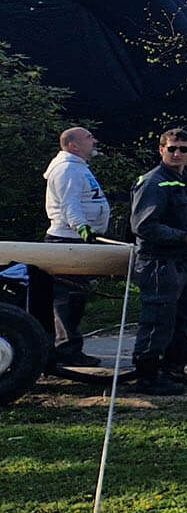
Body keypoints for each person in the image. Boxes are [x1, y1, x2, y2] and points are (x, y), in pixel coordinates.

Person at [127, 128, 187, 395]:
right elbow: (144, 226)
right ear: (161, 150)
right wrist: (184, 236)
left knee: (185, 314)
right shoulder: (153, 182)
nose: (177, 153)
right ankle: (147, 375)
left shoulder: (184, 181)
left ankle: (173, 368)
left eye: (183, 149)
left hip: (182, 262)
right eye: (171, 148)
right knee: (158, 319)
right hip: (158, 261)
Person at [40, 125, 111, 367]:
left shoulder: (77, 167)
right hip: (67, 241)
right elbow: (70, 203)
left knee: (77, 297)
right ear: (73, 145)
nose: (95, 140)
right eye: (89, 137)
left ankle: (69, 347)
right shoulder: (67, 169)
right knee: (68, 298)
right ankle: (65, 349)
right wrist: (81, 226)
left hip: (77, 241)